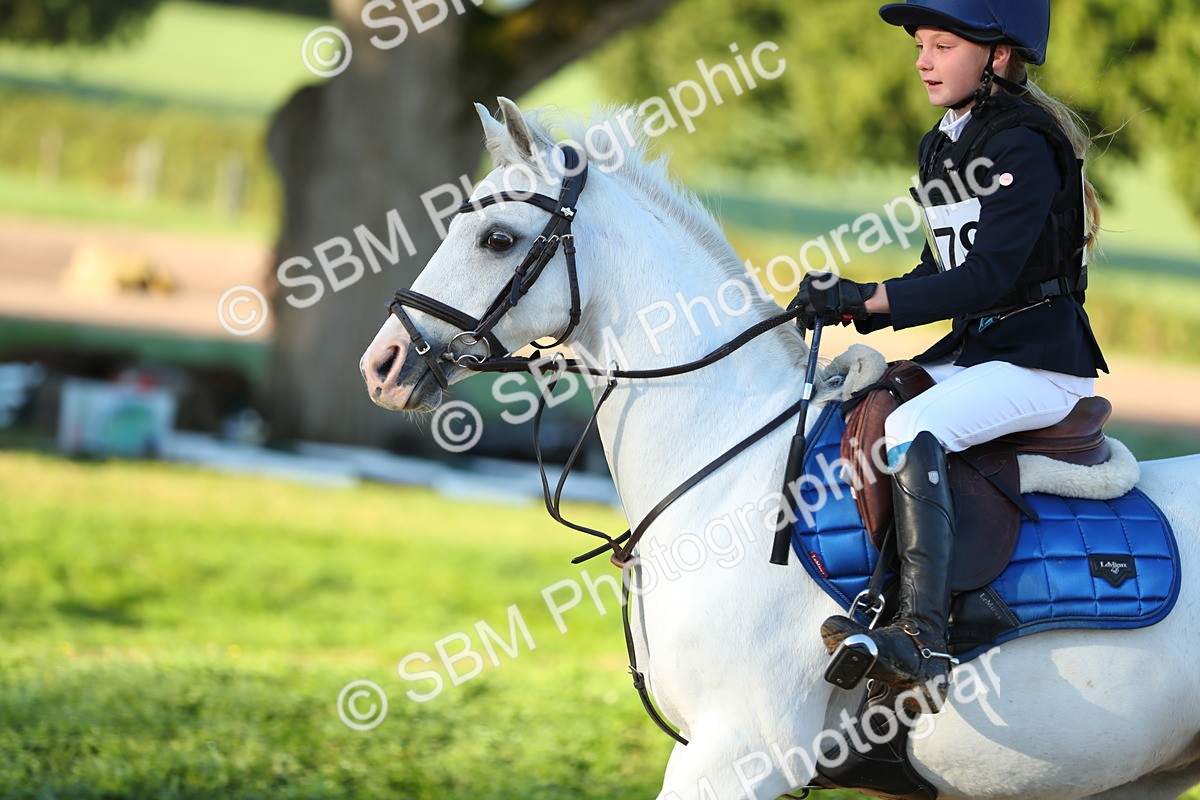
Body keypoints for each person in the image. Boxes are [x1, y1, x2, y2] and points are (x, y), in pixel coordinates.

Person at [794, 0, 1109, 711]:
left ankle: (924, 635)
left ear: (998, 56)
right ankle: (880, 590)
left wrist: (871, 298)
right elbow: (940, 268)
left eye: (942, 45)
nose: (922, 59)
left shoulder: (1023, 143)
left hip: (1038, 363)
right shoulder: (943, 142)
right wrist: (847, 303)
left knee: (910, 432)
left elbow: (988, 279)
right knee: (858, 406)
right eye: (920, 45)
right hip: (979, 354)